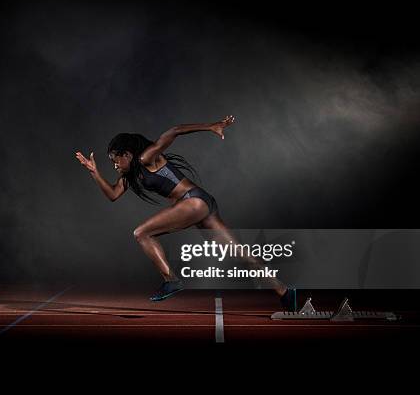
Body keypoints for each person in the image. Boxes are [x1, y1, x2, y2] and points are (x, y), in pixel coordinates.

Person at [75, 116, 296, 309]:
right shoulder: (130, 175)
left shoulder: (147, 157)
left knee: (141, 233)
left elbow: (174, 131)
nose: (114, 166)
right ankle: (285, 292)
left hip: (194, 201)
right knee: (239, 254)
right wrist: (94, 172)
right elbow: (113, 194)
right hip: (201, 203)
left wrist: (212, 126)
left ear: (128, 154)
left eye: (115, 161)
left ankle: (171, 280)